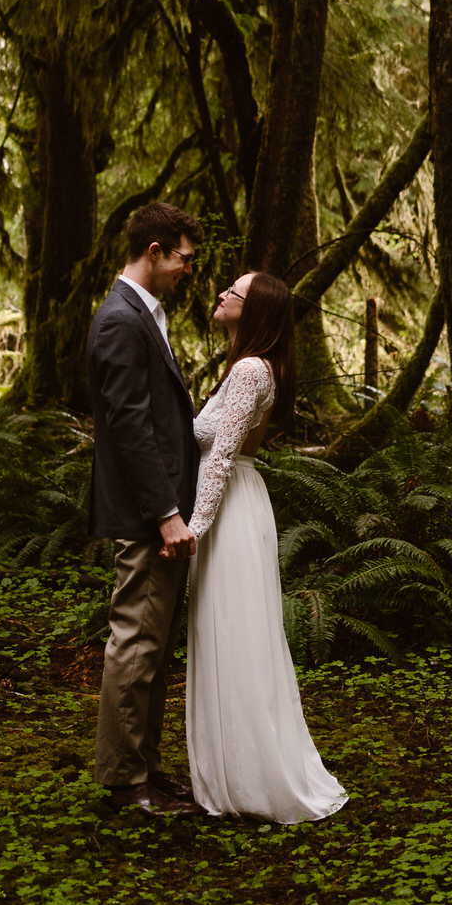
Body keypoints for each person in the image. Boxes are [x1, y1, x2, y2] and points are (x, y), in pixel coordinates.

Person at [183, 270, 348, 824]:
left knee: (234, 634)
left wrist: (195, 529)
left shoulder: (252, 370)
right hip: (235, 502)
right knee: (227, 632)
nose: (223, 294)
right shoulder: (247, 366)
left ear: (255, 311)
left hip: (228, 508)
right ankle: (229, 767)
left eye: (236, 292)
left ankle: (249, 777)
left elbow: (222, 454)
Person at [87, 201, 205, 816]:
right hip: (145, 515)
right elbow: (130, 425)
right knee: (134, 642)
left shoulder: (144, 315)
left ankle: (147, 769)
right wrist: (165, 512)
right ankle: (123, 782)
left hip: (161, 512)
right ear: (155, 251)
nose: (191, 269)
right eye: (185, 257)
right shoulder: (120, 320)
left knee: (154, 650)